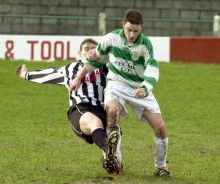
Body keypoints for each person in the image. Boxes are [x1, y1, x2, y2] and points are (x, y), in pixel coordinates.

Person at [69, 10, 170, 177]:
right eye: (129, 30)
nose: (131, 34)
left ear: (141, 28)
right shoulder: (111, 38)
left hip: (139, 87)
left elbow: (152, 68)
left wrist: (145, 88)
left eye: (136, 31)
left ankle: (161, 167)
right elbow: (96, 60)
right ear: (123, 25)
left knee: (160, 127)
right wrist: (79, 78)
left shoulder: (145, 45)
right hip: (116, 85)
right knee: (112, 111)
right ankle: (115, 161)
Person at [16, 38, 123, 174]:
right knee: (94, 122)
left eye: (93, 48)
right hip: (80, 109)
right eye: (86, 48)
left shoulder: (106, 67)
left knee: (112, 130)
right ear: (79, 53)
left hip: (103, 109)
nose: (90, 51)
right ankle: (109, 149)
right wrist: (26, 74)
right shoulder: (70, 69)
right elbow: (48, 74)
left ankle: (112, 161)